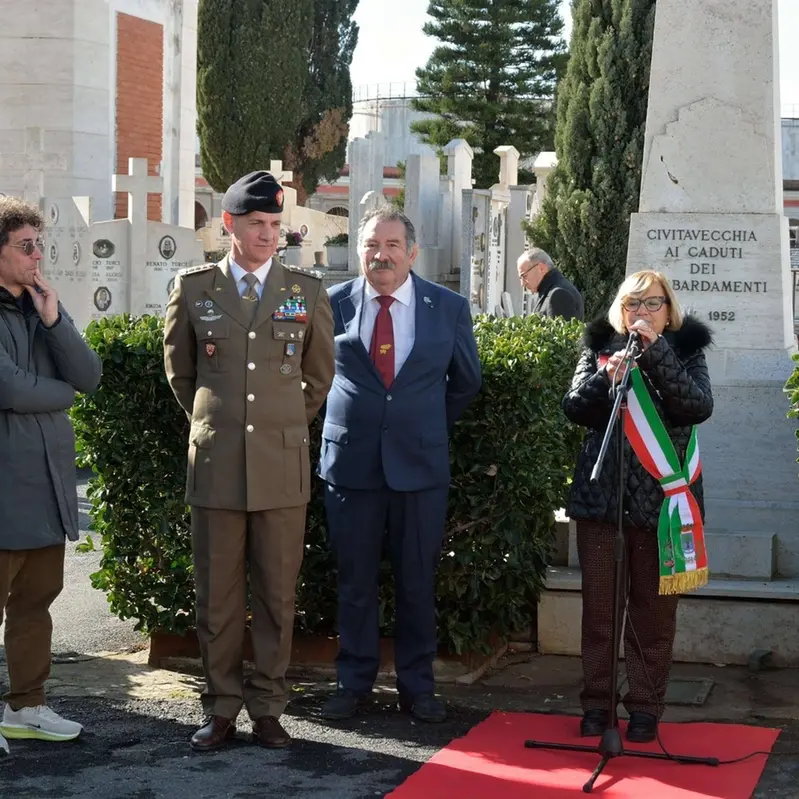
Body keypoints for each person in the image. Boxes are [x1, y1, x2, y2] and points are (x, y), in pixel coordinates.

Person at [163, 171, 335, 752]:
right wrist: (225, 425)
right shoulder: (194, 289)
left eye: (275, 225)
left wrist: (278, 428)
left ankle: (267, 706)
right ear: (230, 225)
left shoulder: (305, 291)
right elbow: (182, 375)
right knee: (217, 595)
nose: (269, 234)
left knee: (276, 595)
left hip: (280, 466)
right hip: (216, 466)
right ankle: (220, 708)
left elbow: (317, 379)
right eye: (258, 224)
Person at [319, 206, 482, 724]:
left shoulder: (447, 307)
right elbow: (311, 377)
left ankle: (419, 688)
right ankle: (353, 683)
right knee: (355, 581)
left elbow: (466, 382)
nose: (380, 254)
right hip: (351, 468)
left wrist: (423, 422)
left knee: (417, 581)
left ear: (412, 254)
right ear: (359, 251)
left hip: (419, 469)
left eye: (392, 245)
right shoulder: (331, 304)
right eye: (371, 244)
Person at [562, 270, 713, 743]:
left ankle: (646, 707)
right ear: (618, 310)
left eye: (651, 304)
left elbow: (696, 406)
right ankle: (597, 705)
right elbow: (574, 408)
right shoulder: (601, 348)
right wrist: (607, 377)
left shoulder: (686, 350)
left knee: (653, 614)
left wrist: (658, 353)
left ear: (669, 311)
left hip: (662, 502)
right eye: (632, 304)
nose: (641, 313)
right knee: (601, 612)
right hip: (603, 501)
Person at [0, 197, 102, 752]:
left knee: (35, 605)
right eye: (26, 245)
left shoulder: (41, 308)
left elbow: (89, 375)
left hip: (45, 489)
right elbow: (9, 388)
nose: (38, 255)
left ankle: (27, 706)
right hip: (3, 489)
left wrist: (55, 320)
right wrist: (59, 396)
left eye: (39, 243)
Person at [516, 247, 584, 320]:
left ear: (541, 268)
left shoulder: (559, 294)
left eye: (524, 276)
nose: (522, 284)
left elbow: (559, 331)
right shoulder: (547, 291)